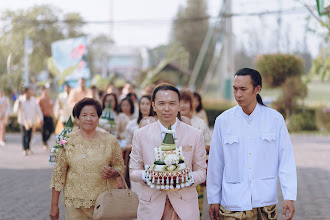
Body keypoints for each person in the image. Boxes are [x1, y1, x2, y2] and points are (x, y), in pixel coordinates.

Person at [207, 68, 297, 220]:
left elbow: (286, 160)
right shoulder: (223, 121)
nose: (238, 94)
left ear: (257, 89)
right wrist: (213, 199)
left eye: (243, 89)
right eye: (235, 89)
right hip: (232, 203)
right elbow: (216, 163)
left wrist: (289, 196)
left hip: (265, 202)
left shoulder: (274, 119)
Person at [129, 83, 207, 220]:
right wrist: (149, 175)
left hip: (185, 206)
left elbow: (201, 172)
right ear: (153, 106)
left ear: (179, 105)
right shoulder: (141, 134)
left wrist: (186, 179)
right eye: (161, 103)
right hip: (151, 205)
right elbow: (133, 171)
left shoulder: (194, 134)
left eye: (172, 103)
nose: (167, 108)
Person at [49, 98, 125, 220]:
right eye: (84, 115)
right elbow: (58, 176)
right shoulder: (67, 142)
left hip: (104, 203)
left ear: (98, 118)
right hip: (75, 203)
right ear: (77, 118)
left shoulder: (110, 141)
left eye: (93, 115)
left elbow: (120, 166)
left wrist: (114, 172)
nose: (89, 119)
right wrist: (54, 206)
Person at [180, 89, 211, 219]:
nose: (182, 105)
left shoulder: (199, 123)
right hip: (176, 174)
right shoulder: (171, 123)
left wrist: (194, 149)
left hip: (195, 175)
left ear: (192, 104)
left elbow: (209, 146)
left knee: (195, 210)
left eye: (186, 102)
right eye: (179, 102)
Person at [13, 85, 43, 156]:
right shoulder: (20, 100)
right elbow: (15, 111)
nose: (31, 92)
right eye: (29, 91)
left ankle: (28, 148)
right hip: (23, 121)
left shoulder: (33, 100)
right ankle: (24, 149)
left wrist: (40, 118)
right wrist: (18, 104)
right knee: (24, 135)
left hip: (31, 121)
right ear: (26, 92)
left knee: (29, 135)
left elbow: (38, 110)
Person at [37, 85, 55, 150]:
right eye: (46, 90)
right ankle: (44, 143)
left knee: (51, 129)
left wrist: (53, 116)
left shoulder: (50, 99)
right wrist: (39, 118)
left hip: (49, 116)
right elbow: (37, 110)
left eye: (48, 90)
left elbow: (52, 109)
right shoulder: (39, 100)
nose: (47, 92)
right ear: (43, 91)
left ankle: (46, 140)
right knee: (43, 131)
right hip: (43, 117)